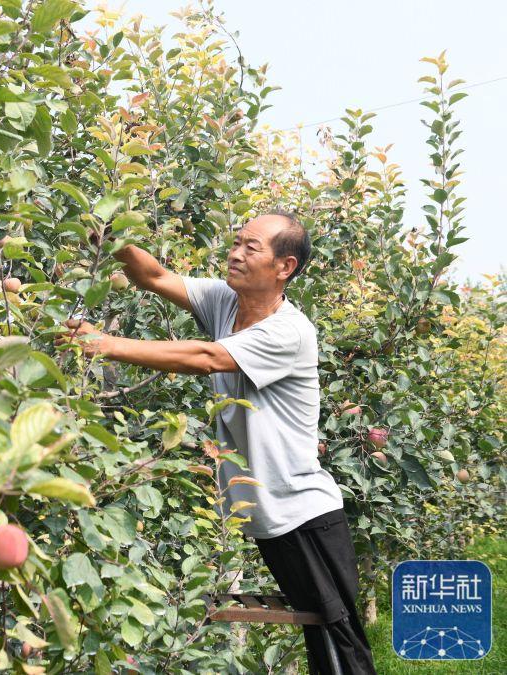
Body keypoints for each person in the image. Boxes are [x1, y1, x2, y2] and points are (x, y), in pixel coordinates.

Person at [55, 211, 377, 674]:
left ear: (284, 266)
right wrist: (108, 231)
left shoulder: (289, 330)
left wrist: (103, 343)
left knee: (338, 645)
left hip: (303, 512)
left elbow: (208, 358)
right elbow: (153, 275)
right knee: (321, 638)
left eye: (251, 247)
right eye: (236, 242)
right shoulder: (224, 301)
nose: (235, 253)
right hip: (268, 516)